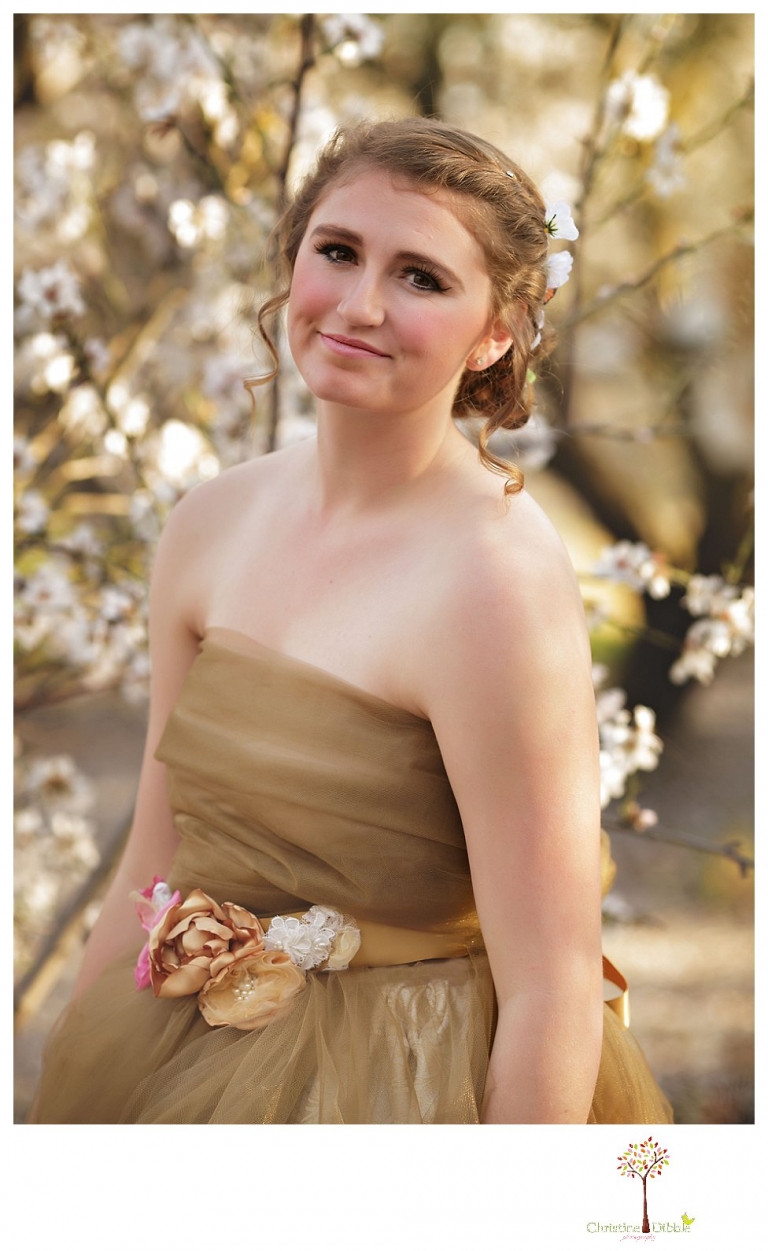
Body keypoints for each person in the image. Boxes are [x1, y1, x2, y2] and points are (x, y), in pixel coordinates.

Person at [31, 116, 672, 1124]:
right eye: (338, 252)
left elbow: (551, 984)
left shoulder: (495, 581)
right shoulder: (210, 524)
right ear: (294, 261)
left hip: (410, 1085)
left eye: (422, 278)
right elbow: (154, 856)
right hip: (184, 1057)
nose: (361, 304)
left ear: (496, 331)